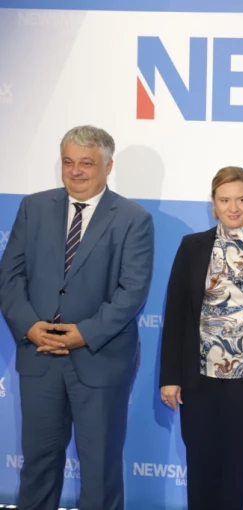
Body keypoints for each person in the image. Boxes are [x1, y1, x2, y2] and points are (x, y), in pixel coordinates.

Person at [0, 125, 155, 510]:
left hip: (99, 360)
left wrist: (83, 333)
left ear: (108, 166)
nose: (75, 171)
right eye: (68, 162)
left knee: (100, 470)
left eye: (86, 163)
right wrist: (29, 326)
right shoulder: (33, 208)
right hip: (40, 357)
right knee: (37, 466)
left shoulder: (133, 219)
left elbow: (132, 291)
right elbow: (9, 277)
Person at [159, 166, 243, 510]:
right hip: (199, 377)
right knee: (200, 466)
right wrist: (170, 377)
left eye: (241, 199)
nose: (234, 208)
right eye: (225, 200)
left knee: (238, 468)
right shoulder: (192, 246)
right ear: (213, 203)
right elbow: (176, 315)